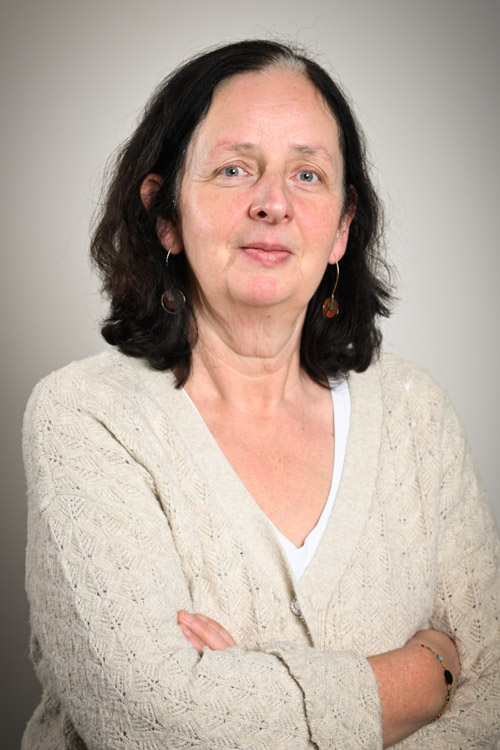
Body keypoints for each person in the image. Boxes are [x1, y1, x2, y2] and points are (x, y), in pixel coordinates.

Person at [22, 39, 499, 749]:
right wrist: (424, 678)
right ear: (164, 215)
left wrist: (243, 690)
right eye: (234, 169)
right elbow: (153, 724)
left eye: (307, 174)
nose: (273, 203)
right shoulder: (87, 417)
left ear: (341, 228)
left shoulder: (415, 413)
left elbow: (494, 696)